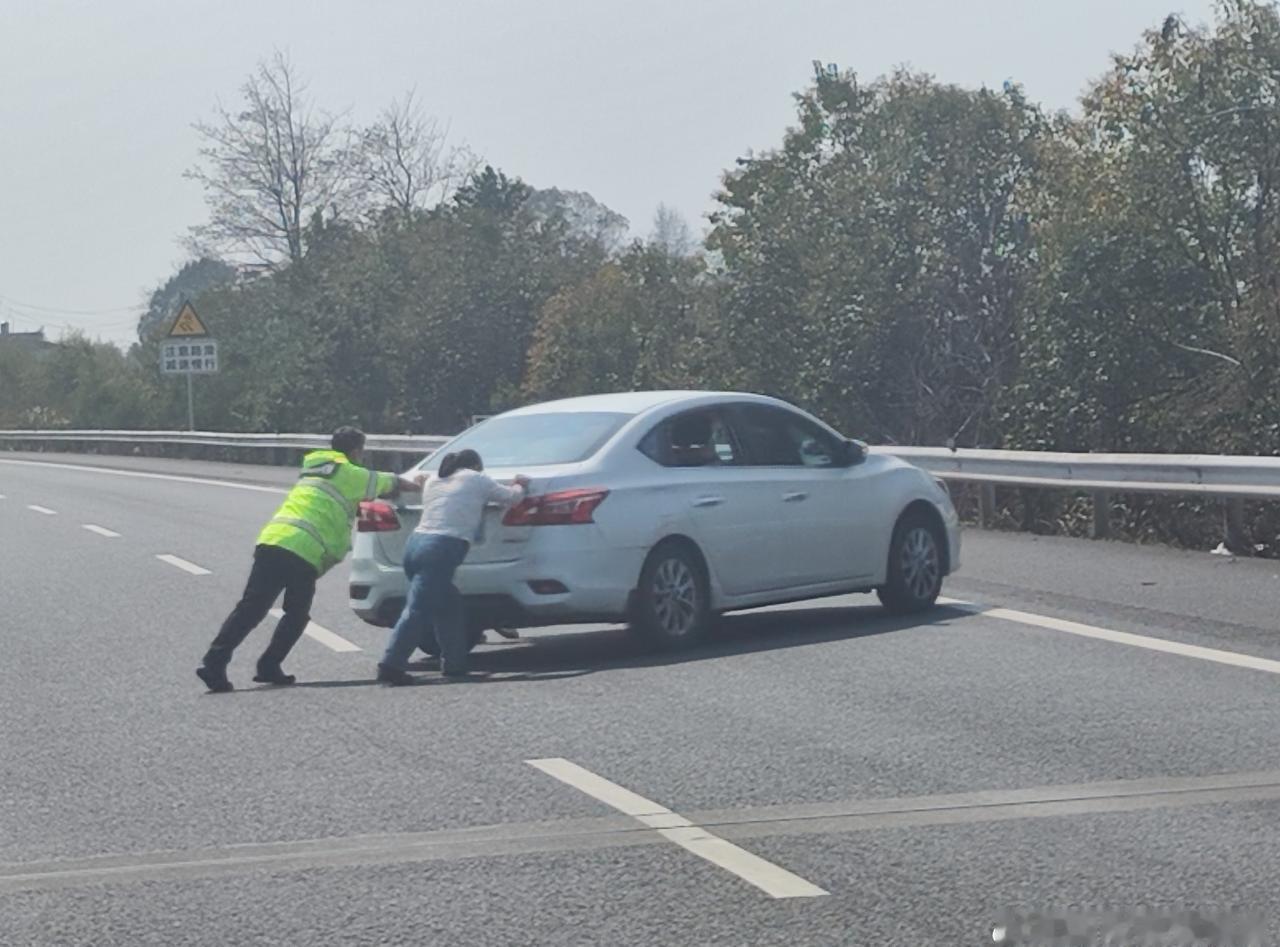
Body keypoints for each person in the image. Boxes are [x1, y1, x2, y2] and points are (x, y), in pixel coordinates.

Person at [197, 427, 422, 693]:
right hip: (303, 550)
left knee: (250, 608)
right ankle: (269, 665)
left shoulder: (316, 467)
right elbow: (394, 483)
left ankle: (215, 660)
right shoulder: (351, 473)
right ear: (356, 451)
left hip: (273, 539)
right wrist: (423, 484)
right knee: (296, 614)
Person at [377, 449, 529, 685]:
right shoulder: (475, 478)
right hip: (441, 549)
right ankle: (390, 665)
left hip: (415, 546)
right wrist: (520, 484)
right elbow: (512, 497)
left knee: (449, 606)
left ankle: (454, 664)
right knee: (418, 609)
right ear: (476, 466)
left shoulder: (436, 479)